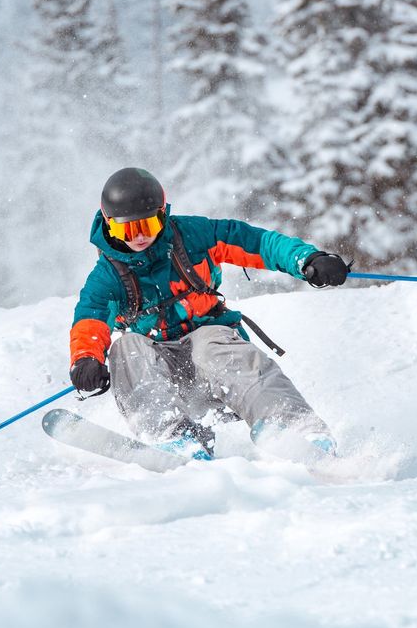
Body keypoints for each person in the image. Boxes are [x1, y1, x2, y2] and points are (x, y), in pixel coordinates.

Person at [68, 167, 350, 460]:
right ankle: (173, 438)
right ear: (110, 226)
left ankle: (294, 426)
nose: (139, 237)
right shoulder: (107, 276)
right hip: (160, 372)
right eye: (127, 230)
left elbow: (256, 242)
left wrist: (307, 260)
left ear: (162, 216)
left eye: (148, 226)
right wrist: (86, 359)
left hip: (216, 358)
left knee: (210, 342)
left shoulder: (193, 236)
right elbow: (90, 316)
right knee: (127, 347)